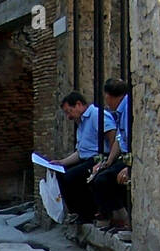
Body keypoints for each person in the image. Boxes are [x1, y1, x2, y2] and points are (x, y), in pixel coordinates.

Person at [52, 91, 117, 224]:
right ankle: (76, 211)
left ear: (79, 105)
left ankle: (87, 213)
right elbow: (81, 152)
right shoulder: (80, 123)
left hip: (99, 157)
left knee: (72, 177)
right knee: (61, 174)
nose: (69, 116)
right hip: (87, 158)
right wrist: (61, 162)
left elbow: (112, 136)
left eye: (69, 111)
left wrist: (110, 159)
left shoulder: (96, 115)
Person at [89, 78, 131, 228]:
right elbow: (119, 139)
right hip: (123, 157)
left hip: (130, 159)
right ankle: (113, 214)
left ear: (109, 96)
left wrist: (129, 168)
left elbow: (131, 140)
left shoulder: (128, 110)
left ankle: (118, 216)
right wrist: (108, 162)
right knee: (97, 175)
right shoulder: (120, 111)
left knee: (103, 181)